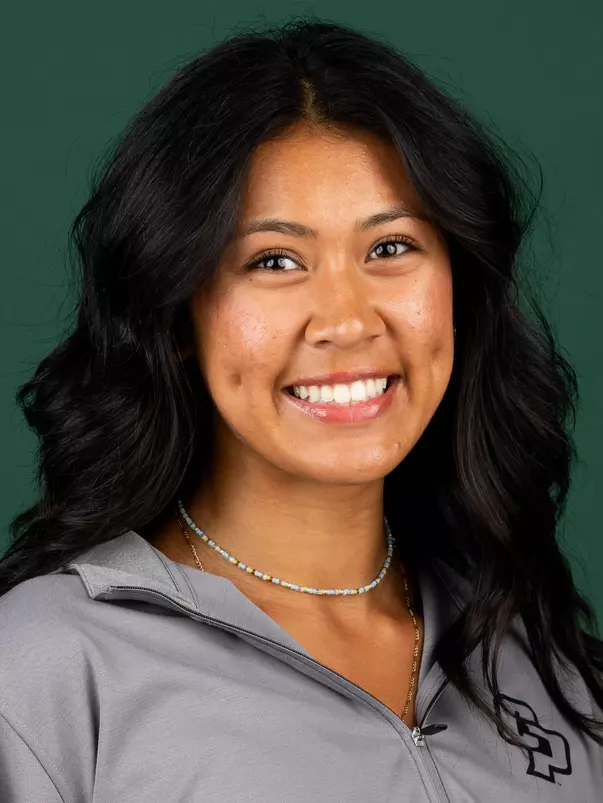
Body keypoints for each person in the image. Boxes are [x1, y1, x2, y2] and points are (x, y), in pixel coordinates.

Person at [0, 17, 601, 803]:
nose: (348, 320)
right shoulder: (42, 667)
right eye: (273, 260)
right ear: (177, 313)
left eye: (390, 248)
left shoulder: (547, 662)